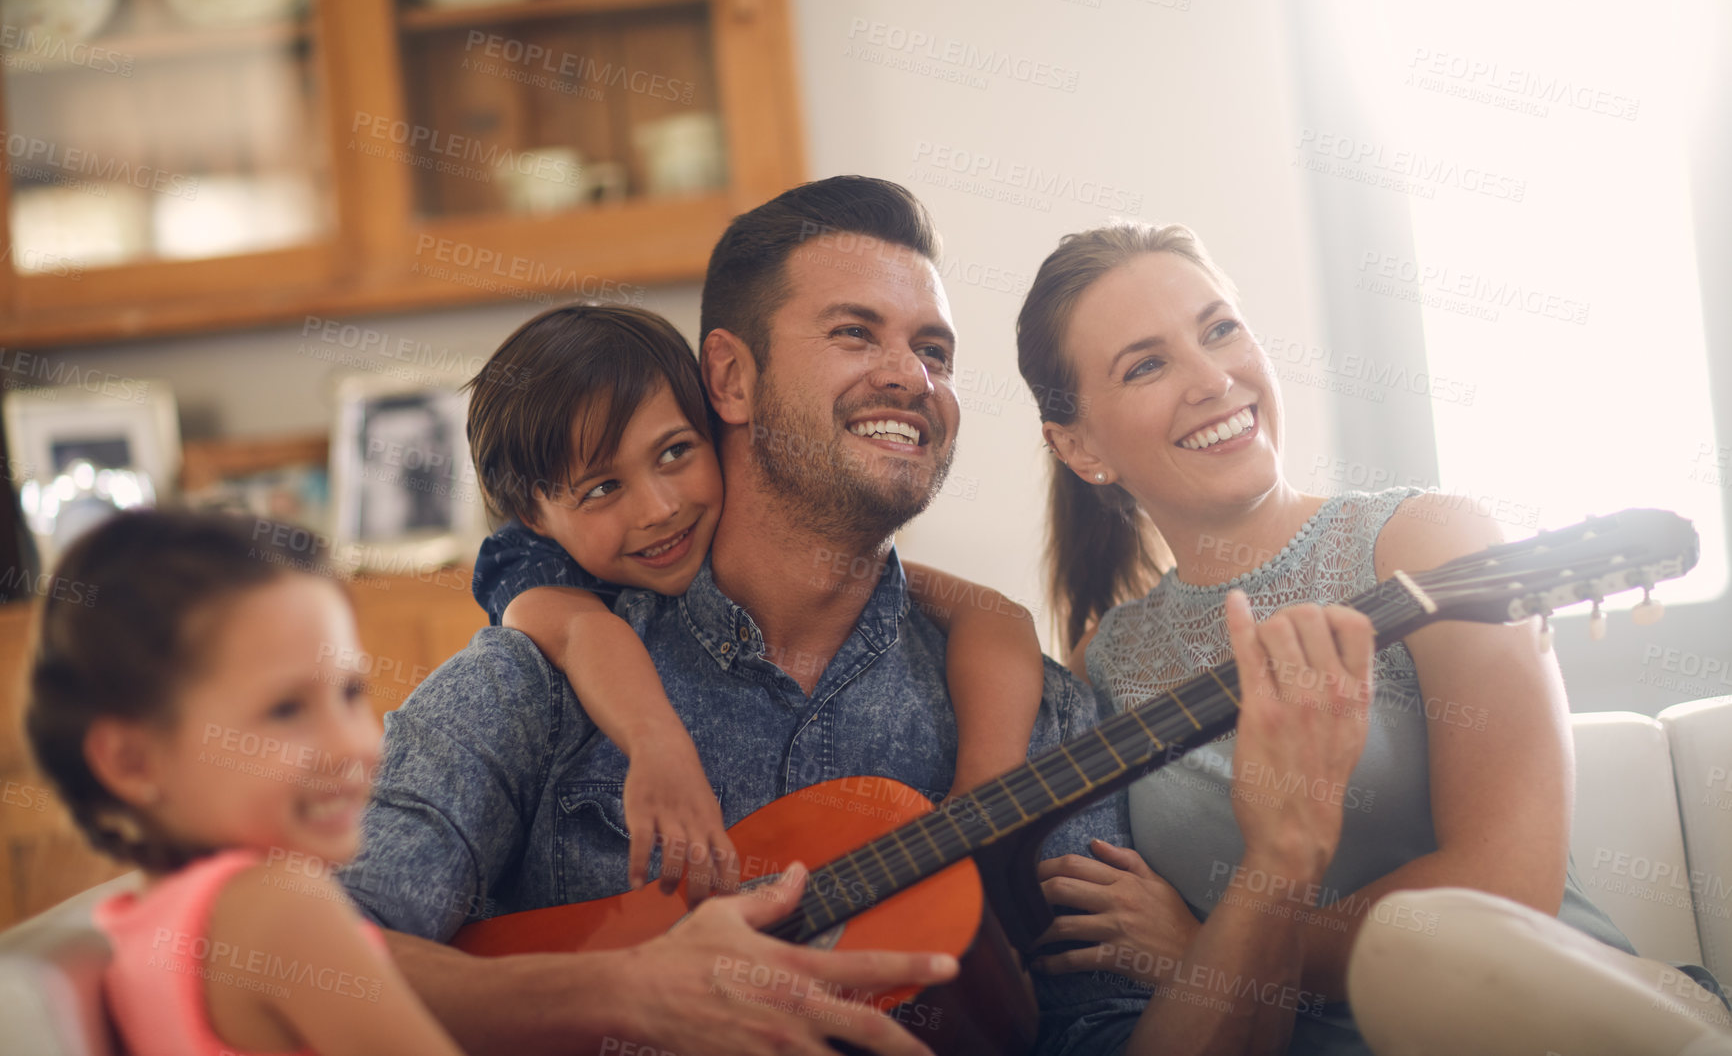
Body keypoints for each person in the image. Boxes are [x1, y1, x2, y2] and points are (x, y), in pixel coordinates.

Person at [338, 176, 1378, 1055]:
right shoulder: (539, 675)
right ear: (731, 377)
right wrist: (622, 990)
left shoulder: (1046, 720)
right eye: (855, 332)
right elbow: (301, 955)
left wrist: (1277, 864)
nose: (910, 376)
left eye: (935, 349)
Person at [1015, 221, 1732, 1054]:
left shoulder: (1427, 543)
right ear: (1078, 446)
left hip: (1548, 1022)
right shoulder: (1104, 664)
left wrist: (1212, 958)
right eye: (1147, 364)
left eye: (1220, 329)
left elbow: (1508, 887)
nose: (1213, 378)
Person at [461, 302, 1049, 898]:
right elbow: (583, 630)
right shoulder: (531, 561)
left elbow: (993, 615)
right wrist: (656, 743)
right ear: (535, 514)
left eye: (675, 452)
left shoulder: (724, 530)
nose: (659, 507)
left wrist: (982, 795)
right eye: (604, 487)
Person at [23, 510, 466, 1056]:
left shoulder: (143, 924)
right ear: (133, 761)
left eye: (351, 693)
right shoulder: (280, 908)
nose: (352, 743)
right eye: (285, 709)